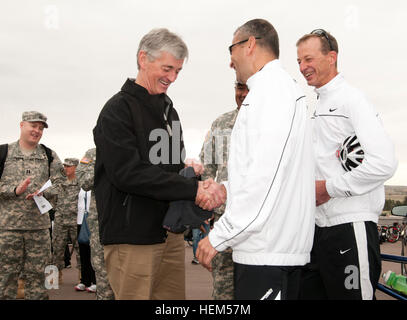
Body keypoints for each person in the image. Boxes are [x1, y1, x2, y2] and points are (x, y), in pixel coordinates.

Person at [92, 28, 225, 300]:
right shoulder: (117, 111)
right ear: (143, 59)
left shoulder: (169, 112)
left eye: (177, 71)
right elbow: (128, 174)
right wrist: (193, 190)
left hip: (171, 237)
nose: (172, 78)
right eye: (167, 68)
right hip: (132, 239)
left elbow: (171, 171)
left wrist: (196, 182)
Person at [196, 19, 315, 300]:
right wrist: (226, 189)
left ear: (250, 44)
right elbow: (263, 172)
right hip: (269, 249)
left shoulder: (272, 93)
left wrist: (218, 236)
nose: (230, 61)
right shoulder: (270, 90)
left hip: (268, 253)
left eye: (231, 49)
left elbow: (264, 178)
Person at [296, 29, 398, 300]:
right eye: (299, 62)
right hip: (317, 232)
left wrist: (329, 188)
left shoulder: (353, 99)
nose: (303, 67)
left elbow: (384, 163)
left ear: (332, 57)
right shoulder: (316, 105)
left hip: (350, 228)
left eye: (308, 59)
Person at [0, 111, 65, 300]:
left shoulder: (49, 155)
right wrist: (14, 190)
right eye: (33, 126)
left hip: (39, 230)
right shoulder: (4, 152)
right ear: (22, 125)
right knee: (5, 278)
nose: (37, 131)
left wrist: (45, 193)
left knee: (39, 279)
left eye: (40, 128)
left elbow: (62, 185)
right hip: (7, 229)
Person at [198, 81, 249, 299]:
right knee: (223, 287)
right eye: (239, 88)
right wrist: (208, 204)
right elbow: (207, 167)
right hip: (224, 218)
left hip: (256, 220)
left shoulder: (270, 122)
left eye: (248, 88)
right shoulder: (221, 124)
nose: (243, 94)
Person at [76, 147, 115, 300]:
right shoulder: (93, 154)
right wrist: (105, 164)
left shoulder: (134, 149)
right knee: (103, 273)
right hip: (101, 223)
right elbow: (84, 182)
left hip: (130, 224)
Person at [52, 158, 81, 284]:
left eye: (69, 166)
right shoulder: (59, 182)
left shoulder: (81, 183)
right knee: (56, 249)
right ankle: (53, 278)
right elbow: (51, 197)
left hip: (76, 220)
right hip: (60, 219)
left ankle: (83, 277)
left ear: (76, 167)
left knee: (80, 250)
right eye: (65, 166)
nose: (66, 168)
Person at [75, 188, 96, 293]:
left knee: (94, 253)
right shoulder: (80, 186)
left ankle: (95, 281)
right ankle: (84, 281)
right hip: (80, 221)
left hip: (92, 221)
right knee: (83, 253)